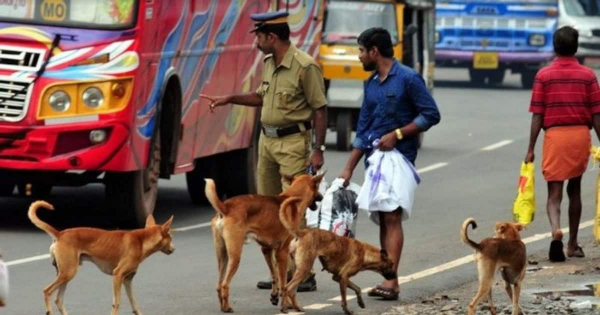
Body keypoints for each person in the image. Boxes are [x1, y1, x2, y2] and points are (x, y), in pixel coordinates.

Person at [200, 10, 327, 292]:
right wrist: (229, 99)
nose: (255, 42)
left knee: (294, 210)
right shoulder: (270, 62)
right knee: (270, 209)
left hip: (293, 142)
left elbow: (320, 109)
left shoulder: (305, 67)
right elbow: (261, 96)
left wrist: (317, 149)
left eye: (258, 36)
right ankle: (281, 274)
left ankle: (303, 274)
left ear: (272, 37)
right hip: (267, 142)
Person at [339, 27, 440, 300]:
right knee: (384, 218)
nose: (359, 56)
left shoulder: (408, 78)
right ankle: (388, 276)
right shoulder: (371, 84)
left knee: (393, 216)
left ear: (374, 51)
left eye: (361, 51)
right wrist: (348, 168)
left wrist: (397, 135)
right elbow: (362, 130)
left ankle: (393, 282)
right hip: (375, 161)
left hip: (401, 160)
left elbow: (431, 115)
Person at [525, 26, 600, 262]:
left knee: (554, 194)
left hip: (554, 137)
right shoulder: (588, 75)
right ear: (576, 47)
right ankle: (573, 244)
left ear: (555, 47)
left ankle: (555, 229)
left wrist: (530, 148)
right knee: (574, 189)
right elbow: (597, 114)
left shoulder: (543, 76)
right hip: (579, 136)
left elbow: (537, 115)